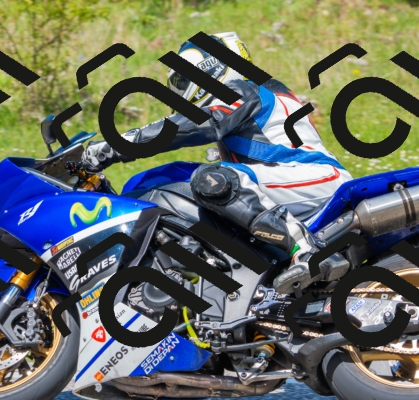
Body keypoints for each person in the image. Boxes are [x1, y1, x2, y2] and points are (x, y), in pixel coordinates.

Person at [77, 31, 352, 294]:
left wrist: (116, 146)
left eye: (185, 79)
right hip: (284, 185)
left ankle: (307, 250)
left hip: (315, 177)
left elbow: (197, 123)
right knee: (174, 180)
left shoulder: (247, 91)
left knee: (213, 179)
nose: (181, 90)